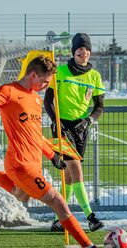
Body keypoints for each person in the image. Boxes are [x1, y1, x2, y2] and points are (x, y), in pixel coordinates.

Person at [0, 55, 109, 248]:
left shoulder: (35, 98)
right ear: (32, 75)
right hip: (20, 164)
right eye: (44, 82)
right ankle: (89, 247)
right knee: (58, 202)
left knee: (21, 195)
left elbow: (35, 134)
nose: (45, 86)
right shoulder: (10, 91)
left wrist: (52, 155)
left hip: (34, 161)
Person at [44, 33, 105, 232]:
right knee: (77, 172)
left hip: (81, 128)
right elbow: (48, 101)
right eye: (80, 50)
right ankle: (90, 217)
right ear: (74, 51)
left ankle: (57, 219)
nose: (84, 53)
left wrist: (89, 120)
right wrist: (56, 122)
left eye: (87, 50)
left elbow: (99, 107)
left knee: (69, 178)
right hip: (63, 128)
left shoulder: (94, 76)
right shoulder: (59, 72)